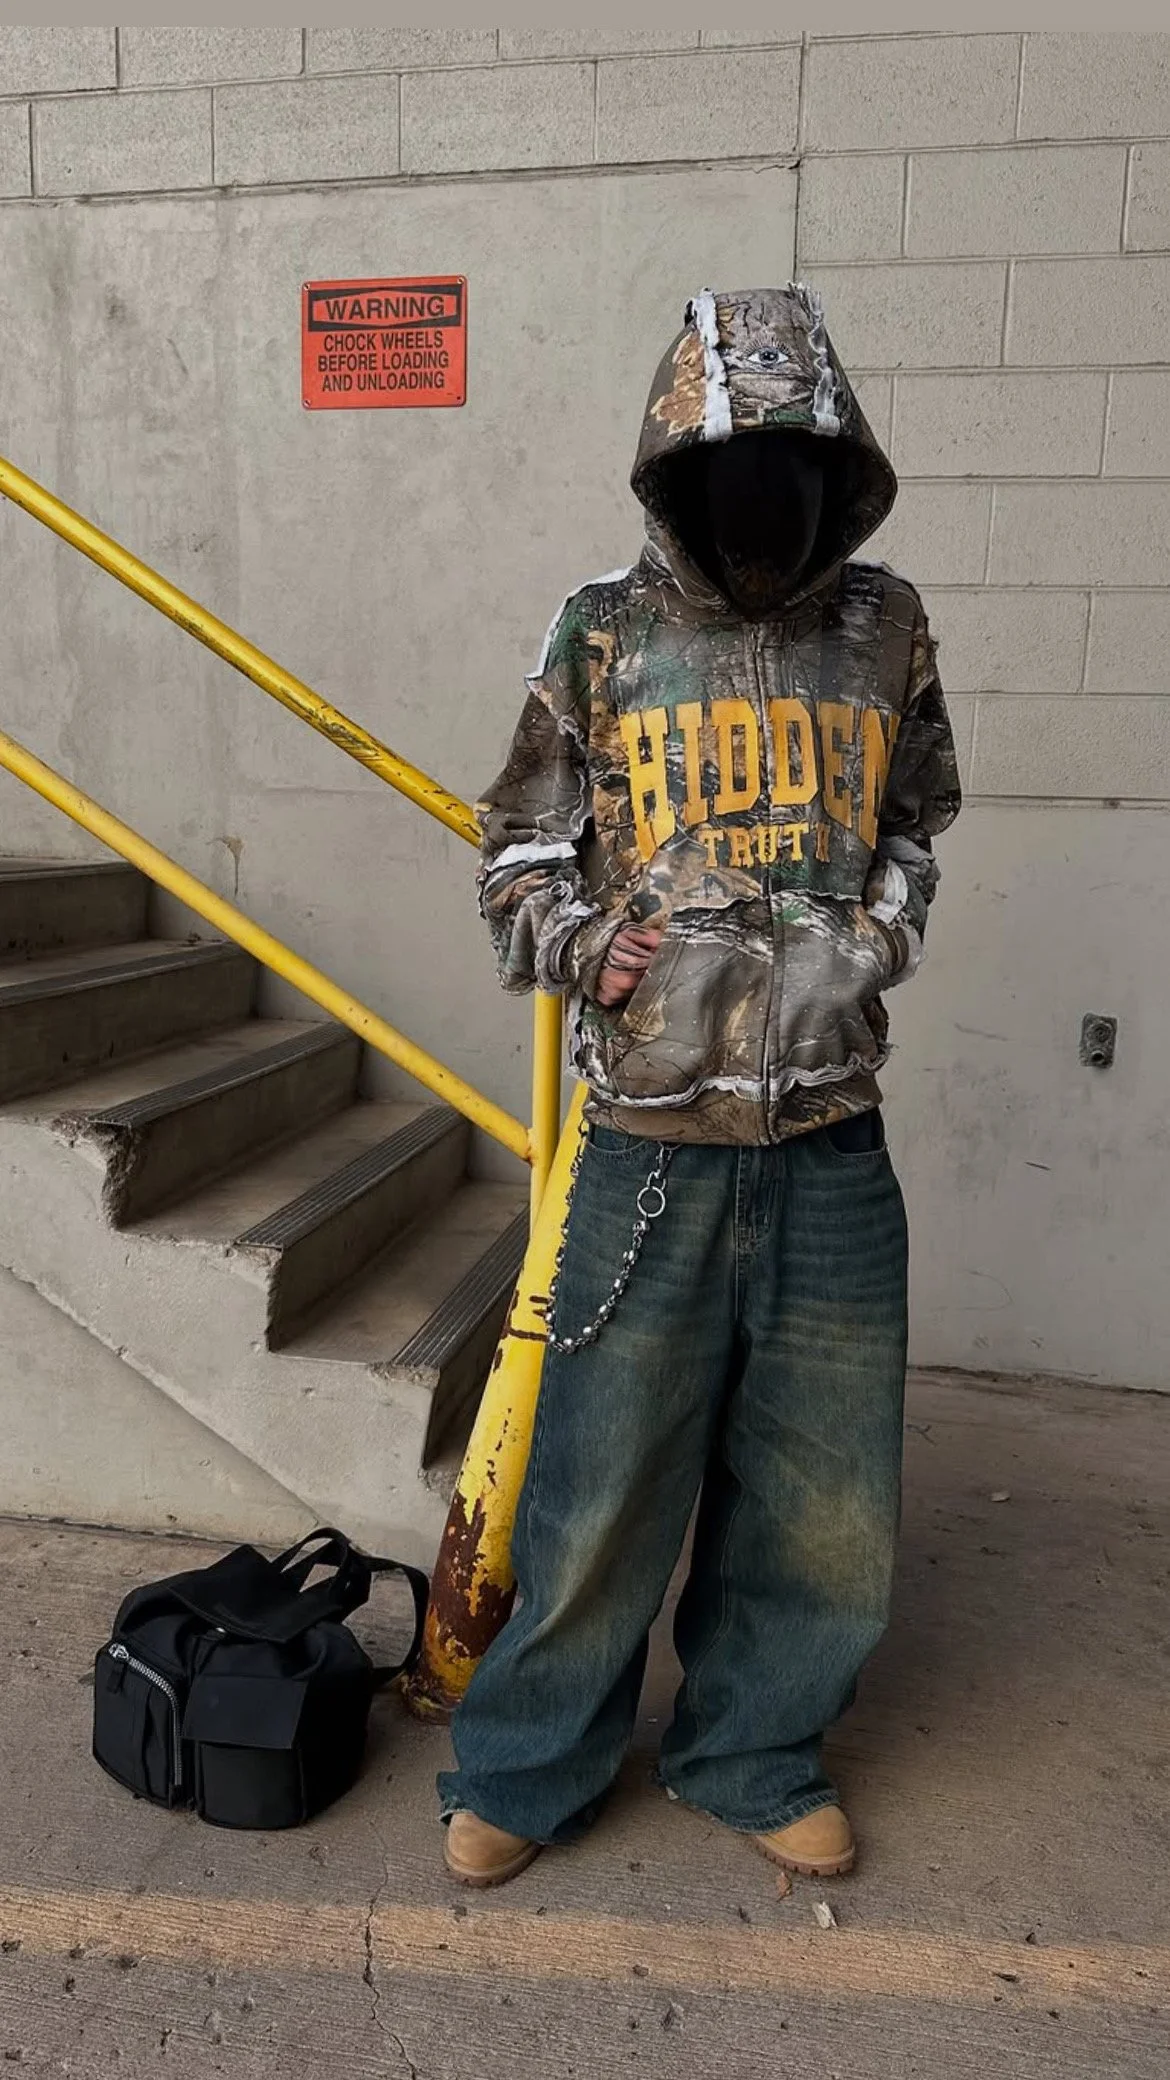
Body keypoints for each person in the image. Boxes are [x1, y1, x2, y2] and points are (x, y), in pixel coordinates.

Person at [439, 285, 960, 1888]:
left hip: (827, 1137)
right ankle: (527, 1768)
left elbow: (916, 820)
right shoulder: (600, 632)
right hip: (646, 1141)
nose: (758, 505)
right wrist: (579, 940)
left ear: (838, 471)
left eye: (791, 471)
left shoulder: (884, 630)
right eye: (724, 472)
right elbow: (515, 839)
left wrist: (873, 938)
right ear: (670, 471)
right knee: (599, 1483)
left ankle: (751, 1751)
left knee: (824, 1499)